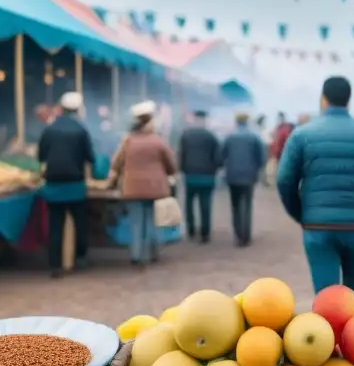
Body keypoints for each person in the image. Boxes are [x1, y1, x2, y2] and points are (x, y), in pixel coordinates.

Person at [277, 76, 354, 294]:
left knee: (326, 295)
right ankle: (352, 328)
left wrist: (301, 213)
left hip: (317, 226)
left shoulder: (301, 135)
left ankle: (327, 328)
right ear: (348, 100)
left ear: (323, 99)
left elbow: (285, 180)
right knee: (351, 291)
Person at [109, 100, 177, 266]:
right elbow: (171, 165)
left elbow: (117, 163)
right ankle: (150, 253)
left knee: (136, 221)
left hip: (132, 187)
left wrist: (114, 179)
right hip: (154, 187)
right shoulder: (158, 141)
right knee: (150, 220)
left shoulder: (127, 141)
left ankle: (136, 255)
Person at [37, 92, 95, 277]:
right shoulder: (81, 130)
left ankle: (55, 265)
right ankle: (80, 257)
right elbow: (90, 157)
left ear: (61, 109)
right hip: (75, 183)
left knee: (56, 225)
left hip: (53, 184)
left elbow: (41, 156)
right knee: (80, 222)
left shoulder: (49, 129)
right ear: (78, 110)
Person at [220, 112, 266, 247]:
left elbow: (222, 156)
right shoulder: (254, 137)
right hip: (249, 175)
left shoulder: (229, 137)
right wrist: (256, 168)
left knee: (235, 206)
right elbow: (261, 158)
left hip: (232, 175)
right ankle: (246, 235)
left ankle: (238, 234)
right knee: (247, 204)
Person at [178, 110, 220, 242]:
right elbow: (218, 158)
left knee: (189, 204)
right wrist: (214, 169)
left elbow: (181, 155)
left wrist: (183, 169)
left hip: (190, 175)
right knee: (205, 204)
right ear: (205, 121)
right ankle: (205, 232)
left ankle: (191, 230)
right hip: (207, 176)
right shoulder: (211, 136)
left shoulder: (186, 135)